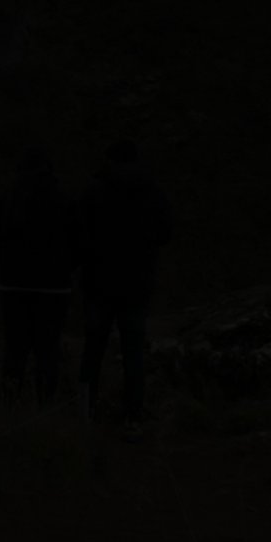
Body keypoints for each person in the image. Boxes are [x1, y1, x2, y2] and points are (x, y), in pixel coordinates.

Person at [78, 140, 171, 424]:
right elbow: (165, 233)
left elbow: (79, 232)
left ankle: (85, 412)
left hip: (99, 283)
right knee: (133, 355)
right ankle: (132, 417)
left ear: (111, 159)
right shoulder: (153, 192)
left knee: (92, 351)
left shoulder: (94, 190)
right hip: (136, 285)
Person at [0, 149, 78, 402]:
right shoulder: (65, 202)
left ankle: (10, 403)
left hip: (12, 285)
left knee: (15, 348)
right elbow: (80, 243)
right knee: (48, 349)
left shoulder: (4, 201)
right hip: (54, 287)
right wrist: (66, 270)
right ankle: (44, 406)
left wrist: (5, 267)